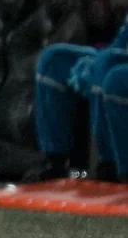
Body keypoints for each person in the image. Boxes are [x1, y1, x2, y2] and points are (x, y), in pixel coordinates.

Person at [30, 13, 128, 183]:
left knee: (109, 75)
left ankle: (112, 168)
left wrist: (99, 63)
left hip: (118, 65)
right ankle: (55, 162)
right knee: (53, 59)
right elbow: (121, 43)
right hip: (119, 56)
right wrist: (94, 62)